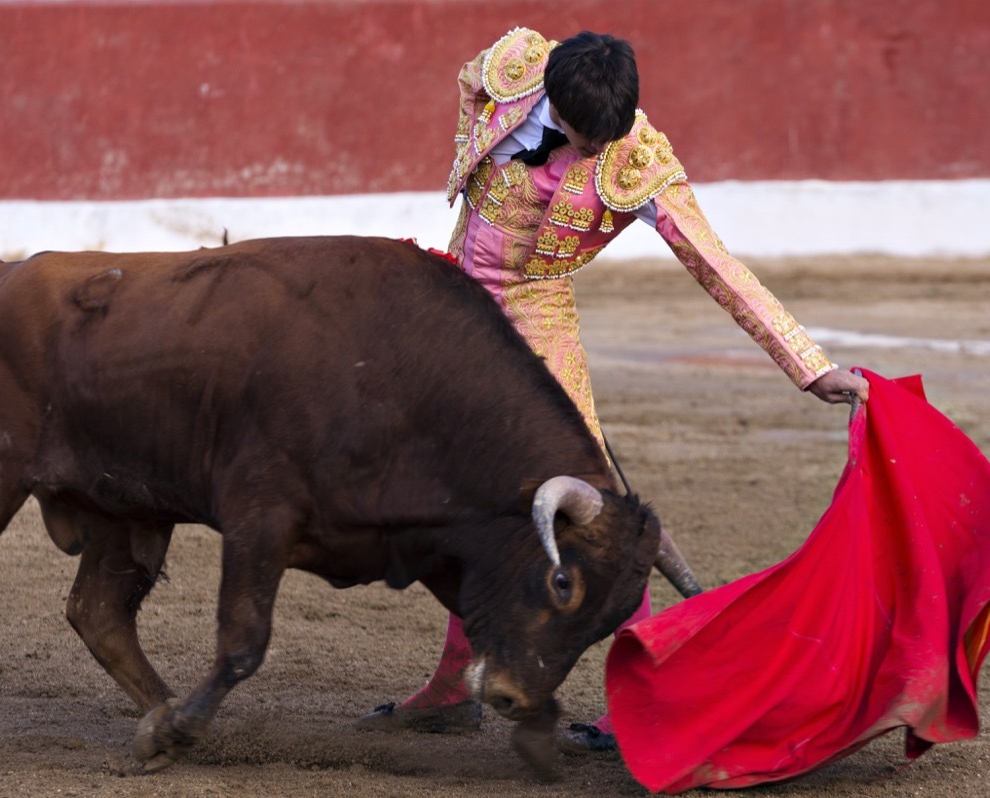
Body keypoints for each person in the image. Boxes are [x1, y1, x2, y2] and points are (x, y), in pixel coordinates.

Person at [358, 27, 870, 751]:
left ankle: (650, 690)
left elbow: (715, 263)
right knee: (449, 497)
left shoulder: (639, 162)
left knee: (591, 516)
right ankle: (451, 685)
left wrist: (809, 364)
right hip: (452, 315)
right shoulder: (510, 72)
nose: (599, 152)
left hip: (537, 323)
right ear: (553, 105)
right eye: (582, 136)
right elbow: (468, 81)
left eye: (609, 137)